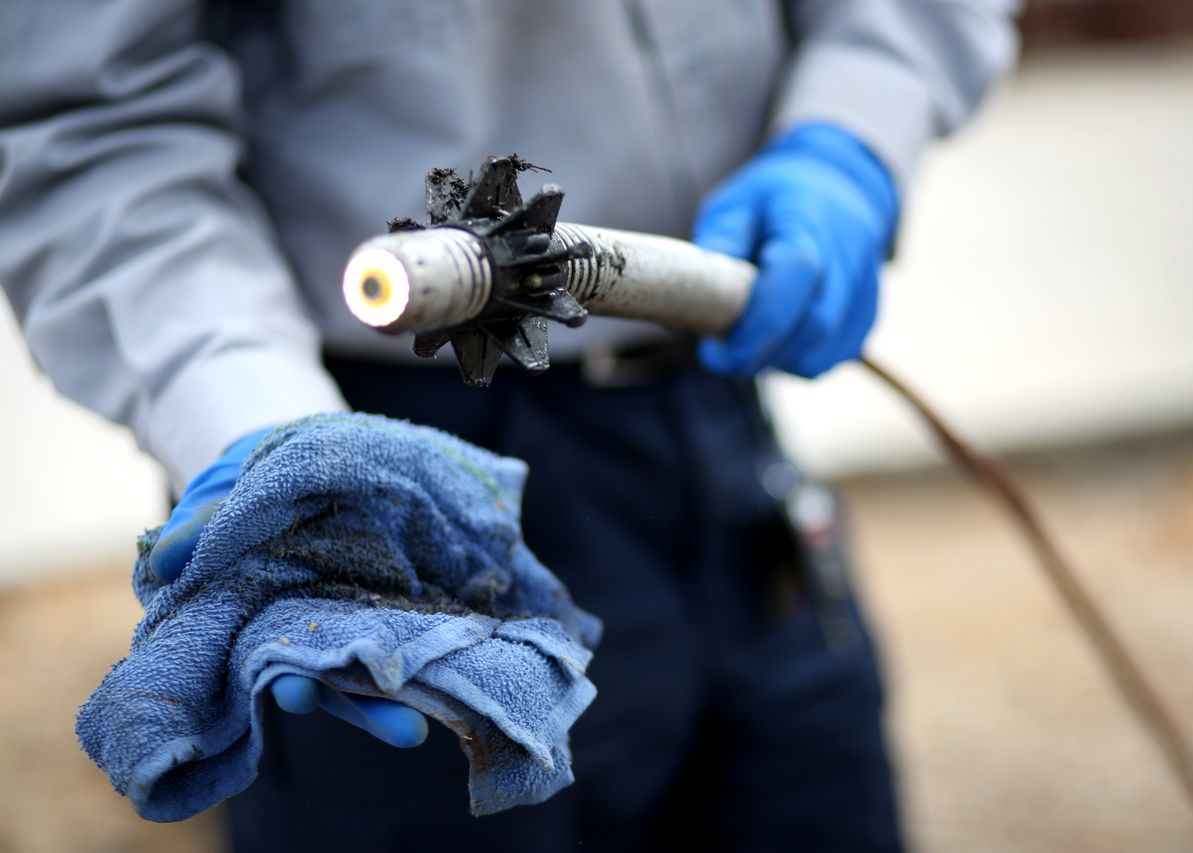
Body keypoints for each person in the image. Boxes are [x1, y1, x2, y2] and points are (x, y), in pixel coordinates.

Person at [0, 1, 1018, 850]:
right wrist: (257, 428)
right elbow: (83, 123)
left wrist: (851, 129)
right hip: (386, 480)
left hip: (716, 410)